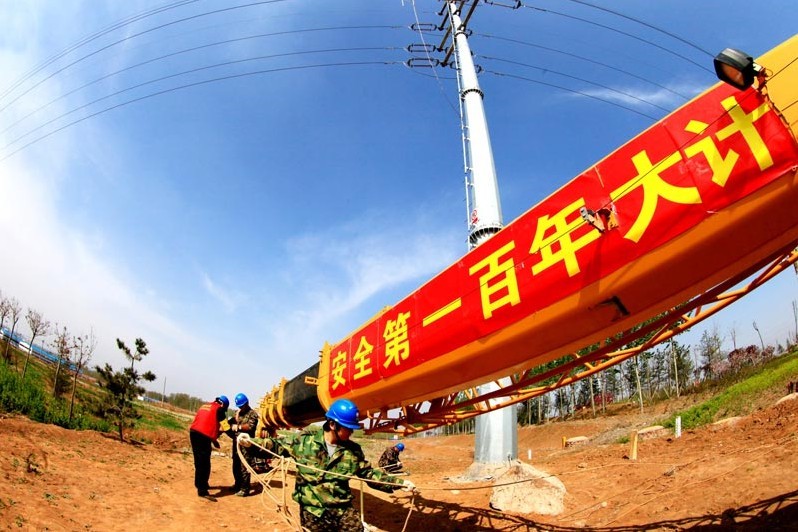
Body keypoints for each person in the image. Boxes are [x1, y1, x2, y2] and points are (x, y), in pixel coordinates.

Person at [238, 398, 416, 531]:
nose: (351, 432)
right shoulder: (304, 442)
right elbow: (276, 445)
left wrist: (399, 483)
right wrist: (251, 442)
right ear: (332, 424)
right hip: (313, 512)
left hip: (342, 510)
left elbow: (369, 474)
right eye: (348, 428)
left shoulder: (353, 451)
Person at [189, 395, 229, 498]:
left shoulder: (205, 406)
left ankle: (200, 484)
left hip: (194, 433)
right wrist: (235, 436)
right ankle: (202, 490)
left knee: (198, 461)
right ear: (223, 405)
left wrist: (214, 440)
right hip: (202, 436)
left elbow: (207, 423)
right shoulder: (219, 409)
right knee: (204, 463)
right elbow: (226, 427)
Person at [227, 392, 260, 497]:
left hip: (246, 445)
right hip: (236, 443)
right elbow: (231, 423)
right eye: (239, 406)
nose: (240, 408)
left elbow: (250, 426)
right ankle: (237, 484)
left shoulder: (252, 414)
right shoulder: (238, 412)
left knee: (244, 466)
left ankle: (245, 489)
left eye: (242, 406)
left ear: (247, 403)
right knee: (236, 465)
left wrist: (238, 427)